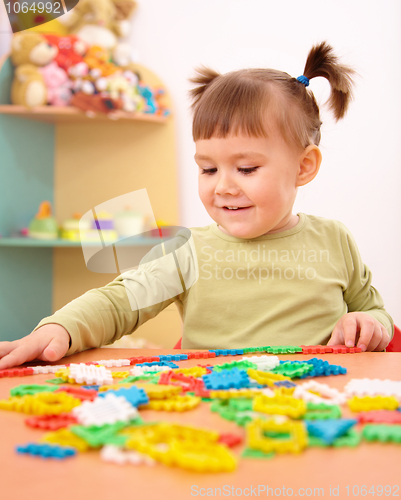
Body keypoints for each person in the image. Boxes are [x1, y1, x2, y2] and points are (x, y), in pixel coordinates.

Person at [0, 42, 393, 369]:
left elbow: (377, 315)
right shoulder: (187, 251)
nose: (222, 187)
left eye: (246, 167)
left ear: (304, 166)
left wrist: (370, 323)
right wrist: (58, 330)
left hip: (316, 415)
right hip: (213, 414)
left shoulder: (334, 240)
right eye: (207, 169)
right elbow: (119, 302)